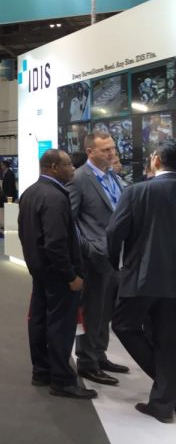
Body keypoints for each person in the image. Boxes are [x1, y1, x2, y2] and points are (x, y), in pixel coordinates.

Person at [107, 139, 176, 423]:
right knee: (168, 339)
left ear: (156, 160)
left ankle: (167, 390)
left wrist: (115, 266)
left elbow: (114, 232)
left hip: (142, 276)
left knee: (123, 325)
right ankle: (163, 401)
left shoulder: (137, 192)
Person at [18, 149, 96, 399]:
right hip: (58, 274)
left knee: (39, 321)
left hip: (40, 270)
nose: (72, 169)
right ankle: (62, 380)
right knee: (61, 326)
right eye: (68, 165)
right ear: (53, 167)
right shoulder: (55, 197)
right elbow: (55, 243)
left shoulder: (30, 193)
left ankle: (42, 371)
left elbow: (24, 234)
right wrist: (71, 275)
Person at [70, 131, 130, 387]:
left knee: (106, 311)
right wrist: (89, 248)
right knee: (93, 311)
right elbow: (69, 221)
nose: (112, 153)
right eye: (105, 150)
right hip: (95, 257)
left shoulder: (113, 177)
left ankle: (99, 355)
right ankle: (87, 362)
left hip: (117, 255)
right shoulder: (79, 178)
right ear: (90, 152)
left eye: (112, 148)